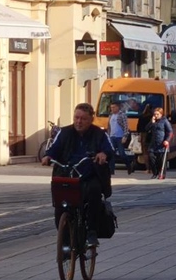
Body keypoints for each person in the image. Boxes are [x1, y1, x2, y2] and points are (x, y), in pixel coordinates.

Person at [41, 102, 112, 248]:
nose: (79, 122)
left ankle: (92, 231)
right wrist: (48, 157)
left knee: (94, 191)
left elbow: (109, 149)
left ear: (91, 119)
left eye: (83, 119)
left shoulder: (99, 134)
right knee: (60, 204)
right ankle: (65, 239)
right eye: (76, 118)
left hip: (89, 175)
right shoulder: (65, 132)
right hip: (67, 174)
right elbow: (55, 148)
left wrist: (103, 154)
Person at [108, 102, 134, 175]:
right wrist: (108, 135)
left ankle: (128, 165)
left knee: (122, 154)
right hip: (112, 137)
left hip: (120, 137)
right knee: (111, 153)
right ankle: (111, 170)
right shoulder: (111, 115)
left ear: (118, 107)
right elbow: (109, 126)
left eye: (114, 107)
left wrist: (125, 136)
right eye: (111, 107)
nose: (112, 109)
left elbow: (126, 127)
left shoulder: (122, 115)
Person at [148, 107, 173, 179]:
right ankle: (155, 172)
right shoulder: (153, 122)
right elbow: (146, 129)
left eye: (157, 114)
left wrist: (167, 140)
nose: (156, 116)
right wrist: (151, 122)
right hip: (153, 144)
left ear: (161, 114)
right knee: (151, 157)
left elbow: (170, 132)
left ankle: (162, 174)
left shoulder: (165, 121)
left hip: (162, 144)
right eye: (154, 114)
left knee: (161, 161)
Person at [138, 103, 154, 175]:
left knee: (145, 153)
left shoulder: (142, 116)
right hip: (152, 136)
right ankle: (153, 168)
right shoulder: (153, 117)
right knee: (152, 152)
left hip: (144, 135)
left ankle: (148, 169)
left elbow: (138, 128)